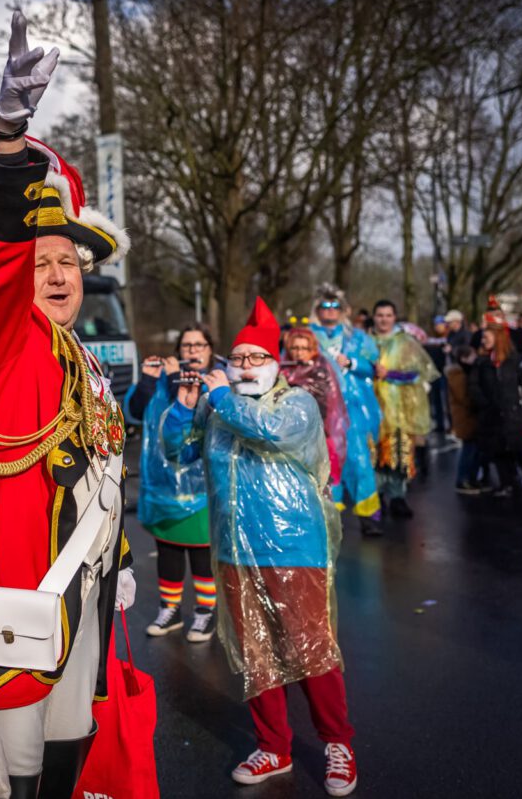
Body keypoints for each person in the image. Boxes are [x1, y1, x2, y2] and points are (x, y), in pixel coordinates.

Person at [0, 11, 135, 799]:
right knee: (7, 780)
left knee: (65, 765)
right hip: (10, 610)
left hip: (77, 600)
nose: (55, 274)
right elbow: (2, 264)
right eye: (39, 262)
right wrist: (8, 136)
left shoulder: (81, 356)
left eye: (67, 261)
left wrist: (113, 560)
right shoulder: (0, 339)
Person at [162, 298, 357, 797]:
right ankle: (274, 745)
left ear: (274, 364)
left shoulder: (296, 403)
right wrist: (184, 411)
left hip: (295, 549)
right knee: (257, 653)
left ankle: (338, 744)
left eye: (255, 358)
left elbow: (269, 433)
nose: (245, 367)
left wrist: (222, 399)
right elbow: (177, 453)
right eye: (237, 358)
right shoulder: (219, 405)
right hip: (233, 549)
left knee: (311, 649)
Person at [128, 324, 217, 642]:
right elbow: (135, 412)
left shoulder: (217, 384)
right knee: (168, 550)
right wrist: (150, 381)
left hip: (202, 488)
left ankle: (206, 612)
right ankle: (171, 610)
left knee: (202, 551)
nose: (193, 350)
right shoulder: (163, 382)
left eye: (199, 345)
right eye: (187, 345)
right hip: (163, 485)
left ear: (210, 350)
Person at [308, 284, 383, 535]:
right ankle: (330, 517)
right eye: (325, 306)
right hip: (320, 410)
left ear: (343, 310)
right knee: (326, 463)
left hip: (353, 410)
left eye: (335, 306)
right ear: (317, 309)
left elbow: (374, 367)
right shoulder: (305, 337)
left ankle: (369, 516)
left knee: (360, 460)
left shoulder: (358, 337)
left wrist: (352, 362)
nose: (330, 311)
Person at [371, 299, 439, 518]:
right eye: (380, 315)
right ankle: (376, 496)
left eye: (388, 315)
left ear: (394, 317)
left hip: (399, 407)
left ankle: (398, 496)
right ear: (374, 317)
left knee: (399, 452)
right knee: (374, 452)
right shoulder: (363, 341)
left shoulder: (406, 343)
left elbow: (420, 372)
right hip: (371, 406)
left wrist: (390, 375)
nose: (383, 319)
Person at [469, 316, 522, 500]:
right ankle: (506, 483)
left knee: (521, 453)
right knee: (498, 453)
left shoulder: (514, 360)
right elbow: (474, 386)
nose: (483, 340)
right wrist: (484, 405)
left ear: (498, 337)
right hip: (491, 415)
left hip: (512, 414)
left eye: (487, 336)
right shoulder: (482, 362)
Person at [281, 327, 349, 490]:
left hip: (318, 434)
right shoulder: (283, 369)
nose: (299, 353)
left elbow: (328, 404)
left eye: (304, 348)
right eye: (295, 348)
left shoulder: (320, 370)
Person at [447, 345, 482, 494]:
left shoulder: (460, 373)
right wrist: (477, 402)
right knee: (468, 449)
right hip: (465, 417)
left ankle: (469, 479)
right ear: (463, 358)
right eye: (472, 356)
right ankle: (462, 480)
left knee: (472, 448)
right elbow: (463, 397)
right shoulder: (458, 374)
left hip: (467, 416)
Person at [425, 316, 450, 434]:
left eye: (440, 325)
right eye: (436, 325)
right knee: (436, 400)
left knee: (446, 399)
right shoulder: (430, 340)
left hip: (445, 372)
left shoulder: (448, 339)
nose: (438, 327)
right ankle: (440, 424)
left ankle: (449, 424)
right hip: (434, 372)